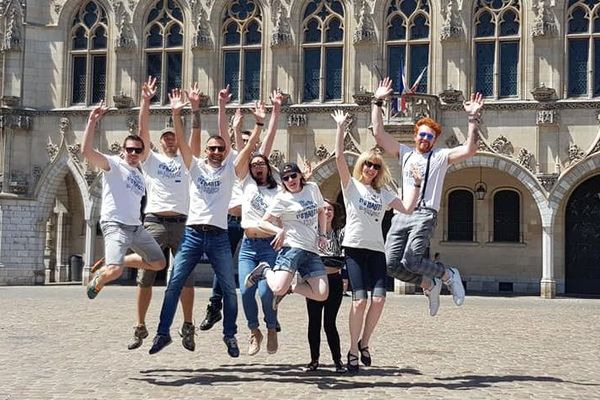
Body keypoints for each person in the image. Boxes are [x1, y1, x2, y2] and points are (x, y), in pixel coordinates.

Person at [148, 86, 248, 357]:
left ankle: (230, 335)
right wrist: (179, 112)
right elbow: (182, 140)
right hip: (192, 234)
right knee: (174, 284)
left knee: (229, 287)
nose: (216, 151)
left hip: (218, 235)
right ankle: (162, 333)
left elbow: (227, 138)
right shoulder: (193, 166)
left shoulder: (228, 170)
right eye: (212, 148)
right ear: (205, 151)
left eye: (220, 149)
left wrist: (222, 106)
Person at [372, 77, 484, 317]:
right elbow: (379, 134)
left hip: (425, 214)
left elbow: (470, 149)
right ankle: (429, 285)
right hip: (402, 213)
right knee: (391, 265)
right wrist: (378, 101)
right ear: (415, 136)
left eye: (430, 137)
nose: (425, 139)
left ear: (434, 140)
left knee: (412, 259)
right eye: (422, 135)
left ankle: (447, 275)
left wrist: (473, 118)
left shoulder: (441, 157)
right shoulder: (404, 154)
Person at [331, 109, 422, 373]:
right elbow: (338, 158)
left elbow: (407, 208)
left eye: (376, 166)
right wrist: (340, 128)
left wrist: (416, 184)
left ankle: (365, 343)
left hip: (376, 250)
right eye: (368, 164)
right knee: (359, 301)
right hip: (355, 249)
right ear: (362, 166)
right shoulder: (351, 187)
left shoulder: (383, 193)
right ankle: (351, 350)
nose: (371, 169)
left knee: (380, 300)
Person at [123, 78, 203, 352]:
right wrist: (145, 101)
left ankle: (188, 325)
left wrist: (191, 110)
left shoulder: (188, 160)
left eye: (173, 137)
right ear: (159, 142)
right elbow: (142, 130)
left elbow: (194, 135)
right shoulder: (151, 160)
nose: (171, 140)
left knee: (186, 277)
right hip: (155, 221)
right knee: (145, 276)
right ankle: (140, 325)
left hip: (183, 223)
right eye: (166, 137)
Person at [82, 102, 166, 299]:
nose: (134, 153)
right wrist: (92, 121)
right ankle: (99, 278)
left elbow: (143, 131)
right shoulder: (113, 164)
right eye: (130, 150)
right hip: (115, 225)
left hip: (136, 227)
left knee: (159, 263)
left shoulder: (140, 172)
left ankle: (121, 260)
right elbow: (86, 152)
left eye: (138, 150)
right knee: (115, 271)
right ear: (123, 149)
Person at [236, 91, 284, 355]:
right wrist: (258, 124)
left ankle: (272, 326)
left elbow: (267, 145)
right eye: (252, 164)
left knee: (266, 294)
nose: (256, 166)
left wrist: (276, 112)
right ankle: (254, 330)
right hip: (247, 246)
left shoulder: (278, 191)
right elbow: (245, 154)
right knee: (245, 291)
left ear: (267, 166)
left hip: (269, 248)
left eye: (260, 163)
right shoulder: (245, 182)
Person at [244, 162, 329, 306]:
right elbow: (263, 222)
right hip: (292, 248)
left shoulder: (312, 188)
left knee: (321, 294)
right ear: (282, 181)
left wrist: (323, 235)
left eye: (293, 176)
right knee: (277, 288)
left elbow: (321, 211)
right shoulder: (282, 198)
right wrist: (278, 231)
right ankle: (265, 270)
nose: (290, 180)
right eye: (286, 178)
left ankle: (290, 288)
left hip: (311, 250)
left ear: (300, 175)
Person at [304, 199, 346, 374]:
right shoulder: (312, 234)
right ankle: (314, 360)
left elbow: (343, 260)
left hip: (334, 282)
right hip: (314, 282)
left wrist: (323, 262)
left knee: (330, 323)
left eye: (330, 209)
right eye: (324, 209)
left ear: (334, 213)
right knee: (314, 322)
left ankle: (338, 360)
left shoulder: (340, 233)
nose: (327, 212)